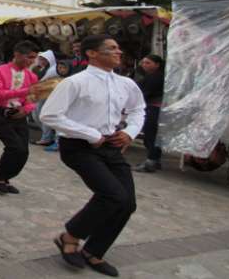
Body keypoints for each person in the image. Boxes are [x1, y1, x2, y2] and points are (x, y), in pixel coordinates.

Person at [40, 34, 145, 277]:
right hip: (79, 147)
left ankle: (94, 251)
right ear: (92, 53)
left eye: (118, 48)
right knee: (112, 195)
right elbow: (50, 115)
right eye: (111, 48)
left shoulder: (126, 84)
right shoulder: (75, 82)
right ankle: (70, 237)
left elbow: (138, 109)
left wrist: (129, 132)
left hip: (111, 146)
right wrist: (89, 133)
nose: (118, 52)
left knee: (127, 203)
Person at [0, 41, 39, 195]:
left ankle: (4, 176)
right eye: (29, 57)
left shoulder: (32, 75)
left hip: (19, 114)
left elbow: (33, 98)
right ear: (17, 54)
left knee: (23, 151)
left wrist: (26, 109)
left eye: (34, 58)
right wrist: (25, 91)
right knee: (14, 147)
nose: (31, 61)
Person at [134, 54, 165, 173]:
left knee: (151, 136)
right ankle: (154, 160)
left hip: (154, 108)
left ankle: (151, 161)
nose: (144, 65)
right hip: (151, 107)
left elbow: (146, 93)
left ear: (157, 65)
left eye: (148, 63)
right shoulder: (150, 76)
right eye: (143, 62)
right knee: (152, 136)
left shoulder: (157, 77)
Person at [34, 50, 59, 147]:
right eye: (41, 59)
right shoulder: (43, 68)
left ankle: (47, 138)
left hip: (48, 95)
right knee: (37, 114)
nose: (42, 61)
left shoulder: (53, 70)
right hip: (41, 95)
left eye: (44, 59)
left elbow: (43, 81)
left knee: (43, 115)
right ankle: (47, 136)